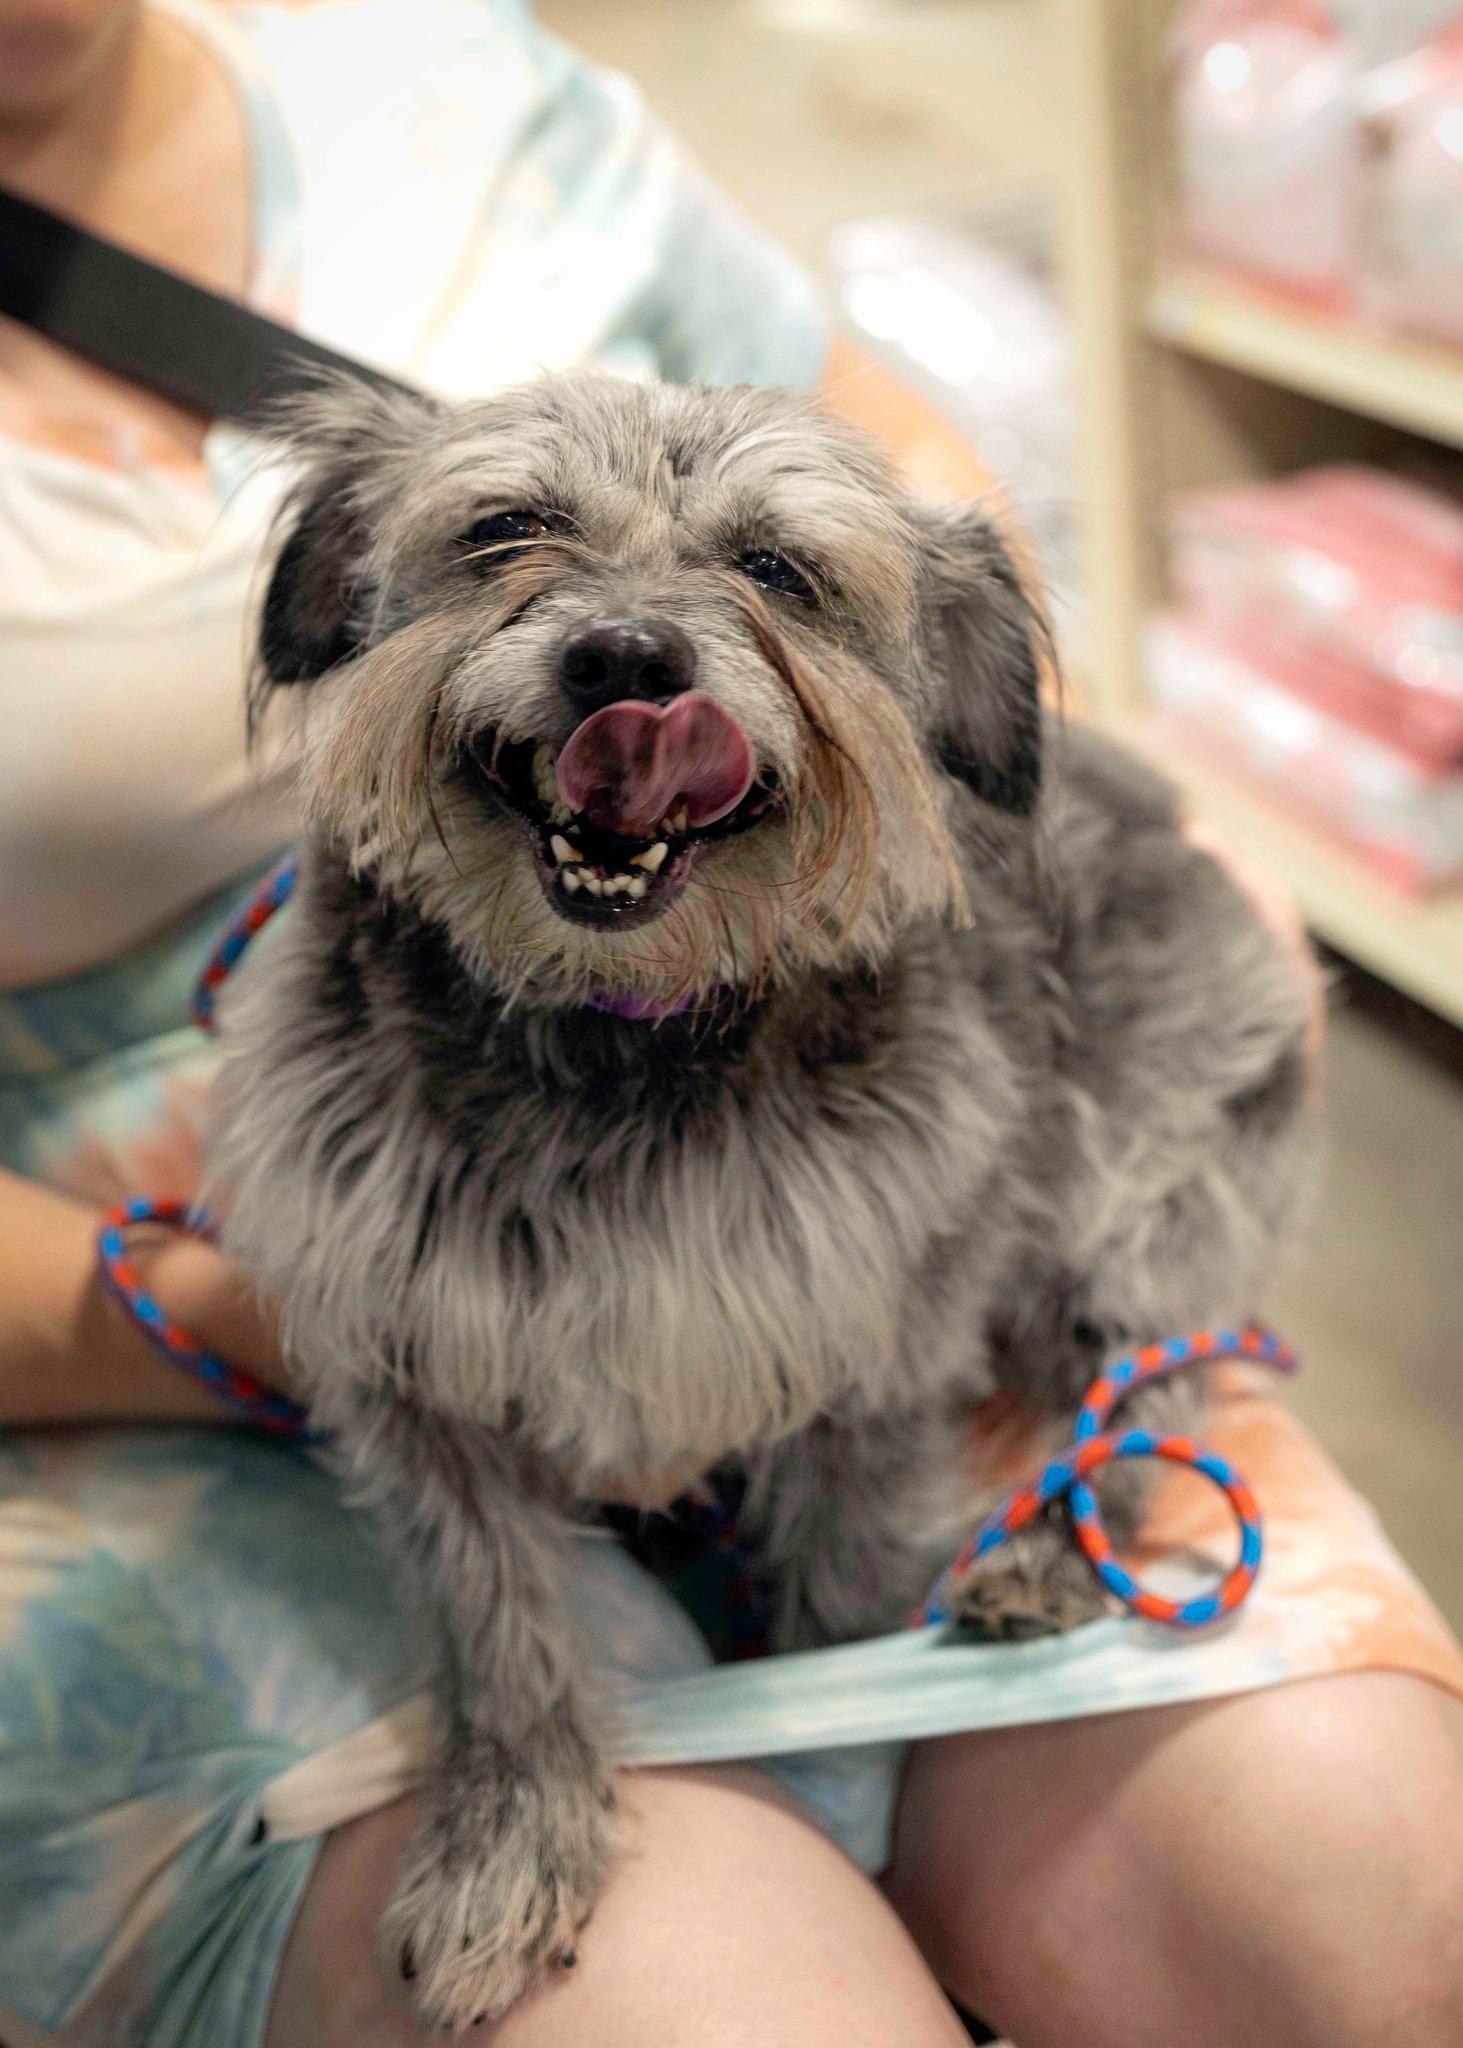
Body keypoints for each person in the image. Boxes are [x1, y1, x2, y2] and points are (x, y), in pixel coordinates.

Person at [1, 3, 1460, 2044]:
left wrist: (1151, 800)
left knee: (1366, 1896)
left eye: (762, 575)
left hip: (856, 1051)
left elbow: (917, 473)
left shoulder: (452, 71)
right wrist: (266, 1316)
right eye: (509, 540)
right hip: (114, 1265)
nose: (630, 632)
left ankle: (1026, 1503)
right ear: (341, 598)